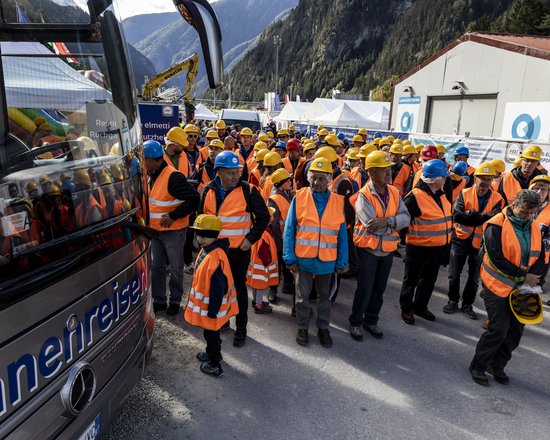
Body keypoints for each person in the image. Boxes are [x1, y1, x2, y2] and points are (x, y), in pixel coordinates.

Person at [469, 190, 545, 386]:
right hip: (497, 285)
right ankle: (478, 365)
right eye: (524, 212)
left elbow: (540, 254)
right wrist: (523, 276)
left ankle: (497, 365)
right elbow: (496, 257)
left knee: (515, 331)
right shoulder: (496, 224)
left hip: (522, 288)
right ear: (514, 205)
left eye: (532, 213)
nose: (528, 216)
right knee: (498, 329)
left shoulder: (533, 225)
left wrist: (535, 276)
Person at [199, 150, 270, 347]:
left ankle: (241, 328)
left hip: (239, 251)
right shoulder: (208, 190)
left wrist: (250, 239)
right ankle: (223, 321)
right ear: (218, 172)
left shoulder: (249, 190)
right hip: (215, 251)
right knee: (219, 289)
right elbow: (201, 218)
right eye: (231, 173)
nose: (236, 176)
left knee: (238, 289)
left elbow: (264, 217)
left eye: (237, 172)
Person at [283, 157, 348, 348]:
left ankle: (323, 328)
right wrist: (289, 257)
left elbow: (342, 235)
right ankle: (302, 327)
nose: (317, 183)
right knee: (302, 297)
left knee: (324, 298)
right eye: (314, 178)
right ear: (308, 177)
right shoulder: (299, 197)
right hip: (303, 258)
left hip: (327, 261)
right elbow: (289, 230)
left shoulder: (338, 202)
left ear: (329, 179)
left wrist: (342, 260)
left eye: (321, 178)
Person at [349, 151, 410, 341]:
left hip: (387, 252)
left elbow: (406, 218)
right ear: (372, 173)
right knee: (365, 289)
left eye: (389, 170)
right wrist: (394, 224)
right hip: (368, 251)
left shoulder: (393, 192)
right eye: (384, 170)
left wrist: (387, 221)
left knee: (379, 290)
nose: (388, 173)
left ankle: (371, 320)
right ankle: (356, 322)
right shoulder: (363, 196)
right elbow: (370, 225)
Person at [145, 140, 200, 315]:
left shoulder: (173, 177)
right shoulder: (150, 175)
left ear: (154, 160)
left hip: (173, 232)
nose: (142, 163)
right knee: (157, 266)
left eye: (144, 160)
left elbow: (194, 199)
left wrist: (173, 216)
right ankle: (160, 300)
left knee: (176, 268)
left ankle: (175, 301)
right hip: (155, 231)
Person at [443, 162, 504, 319]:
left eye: (488, 179)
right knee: (454, 274)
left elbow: (495, 219)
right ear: (474, 178)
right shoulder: (464, 193)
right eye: (481, 178)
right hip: (460, 240)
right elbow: (457, 215)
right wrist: (480, 218)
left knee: (474, 278)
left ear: (492, 181)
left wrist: (472, 216)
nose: (484, 182)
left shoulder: (497, 199)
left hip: (480, 243)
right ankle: (452, 301)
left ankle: (467, 305)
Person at [184, 214, 239, 377]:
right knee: (210, 334)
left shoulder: (215, 256)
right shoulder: (208, 249)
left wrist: (213, 311)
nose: (199, 238)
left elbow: (218, 288)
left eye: (202, 235)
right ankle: (211, 352)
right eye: (197, 234)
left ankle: (215, 363)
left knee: (211, 334)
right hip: (210, 308)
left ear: (214, 235)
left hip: (213, 309)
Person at [400, 159, 452, 325]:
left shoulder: (441, 196)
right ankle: (407, 308)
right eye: (444, 177)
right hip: (418, 248)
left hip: (437, 249)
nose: (446, 179)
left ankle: (420, 306)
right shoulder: (414, 197)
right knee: (411, 280)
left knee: (429, 281)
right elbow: (402, 223)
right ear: (436, 179)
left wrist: (445, 248)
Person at [268, 168, 295, 304]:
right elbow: (274, 225)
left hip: (287, 239)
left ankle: (287, 285)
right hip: (279, 241)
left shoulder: (288, 194)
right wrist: (280, 244)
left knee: (286, 265)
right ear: (280, 184)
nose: (291, 181)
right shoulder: (274, 199)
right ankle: (273, 290)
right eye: (288, 180)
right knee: (277, 266)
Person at [246, 206, 279, 314]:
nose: (273, 216)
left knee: (256, 284)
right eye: (272, 215)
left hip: (256, 264)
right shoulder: (264, 233)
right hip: (262, 265)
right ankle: (259, 305)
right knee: (260, 286)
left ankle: (256, 300)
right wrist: (268, 261)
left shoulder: (258, 230)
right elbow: (262, 251)